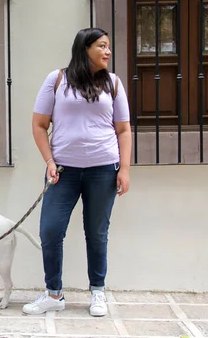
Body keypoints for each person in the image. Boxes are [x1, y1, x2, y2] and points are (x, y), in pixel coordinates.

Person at [23, 27, 131, 317]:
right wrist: (48, 160)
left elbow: (123, 129)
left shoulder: (113, 84)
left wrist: (124, 169)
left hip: (103, 170)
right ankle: (54, 294)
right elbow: (38, 125)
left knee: (96, 233)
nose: (108, 51)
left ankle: (98, 291)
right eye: (102, 46)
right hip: (63, 171)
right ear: (85, 49)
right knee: (50, 230)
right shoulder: (57, 80)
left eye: (109, 46)